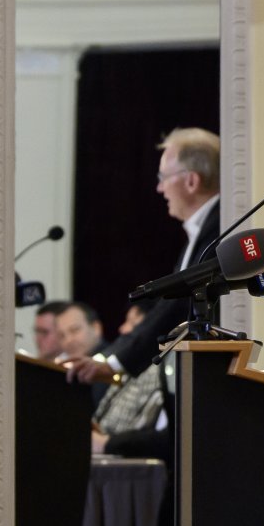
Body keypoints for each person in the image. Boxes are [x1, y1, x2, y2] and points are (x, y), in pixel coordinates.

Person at [68, 127, 221, 384]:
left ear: (191, 181)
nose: (160, 188)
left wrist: (115, 362)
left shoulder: (217, 229)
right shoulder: (204, 228)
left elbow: (179, 306)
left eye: (163, 177)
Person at [92, 301, 168, 455]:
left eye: (132, 323)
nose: (123, 329)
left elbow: (126, 428)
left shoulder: (157, 370)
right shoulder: (125, 367)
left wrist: (104, 442)